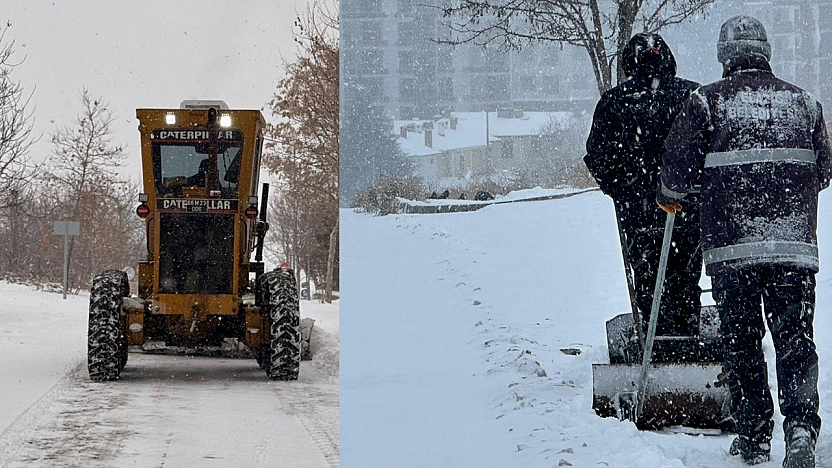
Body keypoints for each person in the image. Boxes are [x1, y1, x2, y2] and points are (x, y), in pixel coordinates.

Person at [658, 16, 831, 467]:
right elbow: (824, 171)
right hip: (792, 248)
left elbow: (675, 175)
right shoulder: (806, 104)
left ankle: (754, 436)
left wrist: (676, 196)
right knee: (795, 339)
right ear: (766, 52)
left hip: (732, 250)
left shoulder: (706, 103)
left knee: (743, 341)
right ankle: (799, 430)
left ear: (724, 56)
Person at [585, 33, 703, 354]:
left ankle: (658, 346)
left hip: (638, 215)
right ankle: (685, 347)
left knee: (649, 280)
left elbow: (598, 157)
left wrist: (622, 191)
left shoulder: (614, 102)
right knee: (684, 280)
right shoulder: (693, 96)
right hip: (687, 213)